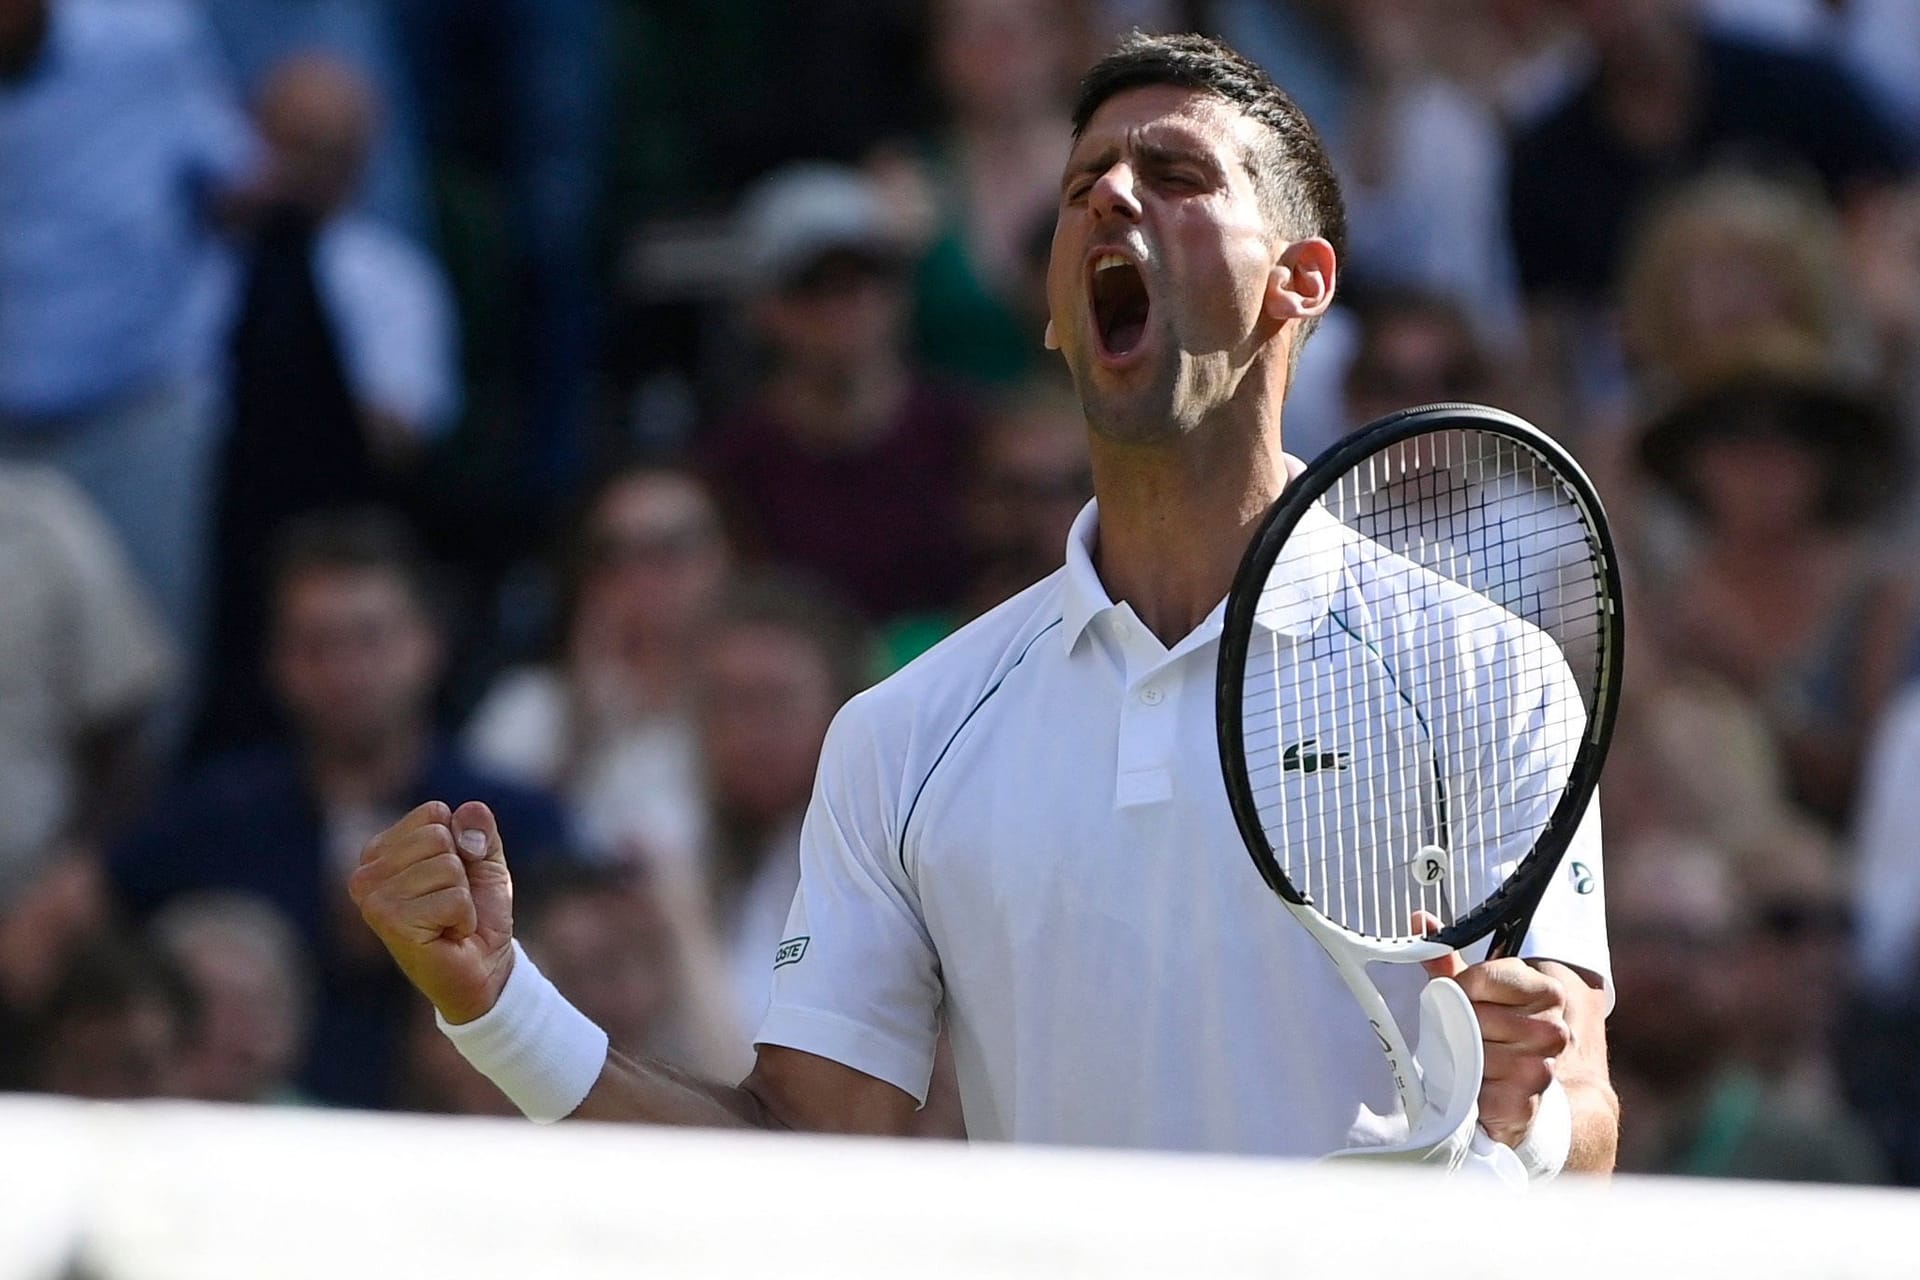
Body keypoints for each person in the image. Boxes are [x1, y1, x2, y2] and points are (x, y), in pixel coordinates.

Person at [352, 32, 1615, 1171]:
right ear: (1059, 316)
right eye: (1083, 188)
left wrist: (1534, 1115)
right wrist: (498, 1003)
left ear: (1302, 280)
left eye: (1177, 177)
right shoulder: (906, 733)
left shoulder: (1486, 673)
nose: (1115, 195)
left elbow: (1582, 1110)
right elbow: (796, 1152)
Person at [111, 509, 574, 1109]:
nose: (346, 671)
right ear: (276, 661)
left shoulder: (514, 823)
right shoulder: (212, 812)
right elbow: (65, 933)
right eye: (317, 645)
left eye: (369, 638)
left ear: (428, 644)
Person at [464, 464, 727, 868]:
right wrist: (582, 729)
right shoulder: (529, 705)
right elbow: (479, 857)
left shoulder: (754, 708)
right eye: (613, 555)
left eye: (670, 549)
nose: (641, 577)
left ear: (724, 558)